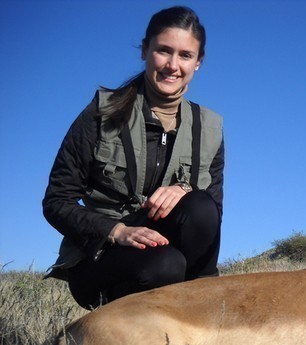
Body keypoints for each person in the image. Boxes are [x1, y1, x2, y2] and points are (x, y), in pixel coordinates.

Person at [43, 6, 224, 310]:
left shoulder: (210, 127)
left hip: (172, 255)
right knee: (165, 266)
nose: (172, 65)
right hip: (102, 259)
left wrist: (186, 189)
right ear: (145, 50)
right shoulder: (101, 113)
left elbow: (214, 209)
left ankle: (206, 314)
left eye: (185, 55)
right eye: (163, 51)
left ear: (198, 63)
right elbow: (56, 202)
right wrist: (117, 231)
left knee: (202, 207)